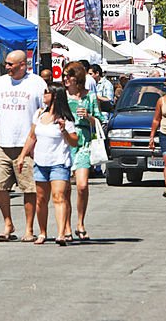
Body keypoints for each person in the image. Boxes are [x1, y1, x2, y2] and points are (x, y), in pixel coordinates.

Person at [0, 49, 45, 242]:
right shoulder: (0, 83)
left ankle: (29, 229)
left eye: (11, 65)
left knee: (29, 188)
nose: (7, 68)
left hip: (27, 145)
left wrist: (40, 141)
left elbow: (45, 114)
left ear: (23, 65)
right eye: (6, 64)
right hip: (2, 143)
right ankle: (8, 223)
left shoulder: (37, 83)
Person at [17, 84, 78, 245]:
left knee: (59, 196)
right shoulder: (39, 114)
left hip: (59, 163)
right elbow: (32, 137)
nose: (43, 96)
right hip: (40, 163)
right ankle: (42, 232)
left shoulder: (65, 119)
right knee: (41, 199)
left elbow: (74, 142)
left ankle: (61, 234)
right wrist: (22, 155)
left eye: (47, 93)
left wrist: (64, 130)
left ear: (55, 96)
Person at [64, 61, 104, 241]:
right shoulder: (61, 97)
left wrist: (88, 117)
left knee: (82, 185)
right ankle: (65, 225)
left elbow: (100, 120)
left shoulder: (89, 97)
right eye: (64, 75)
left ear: (77, 78)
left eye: (69, 76)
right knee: (63, 188)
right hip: (64, 143)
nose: (65, 79)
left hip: (83, 143)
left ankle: (80, 222)